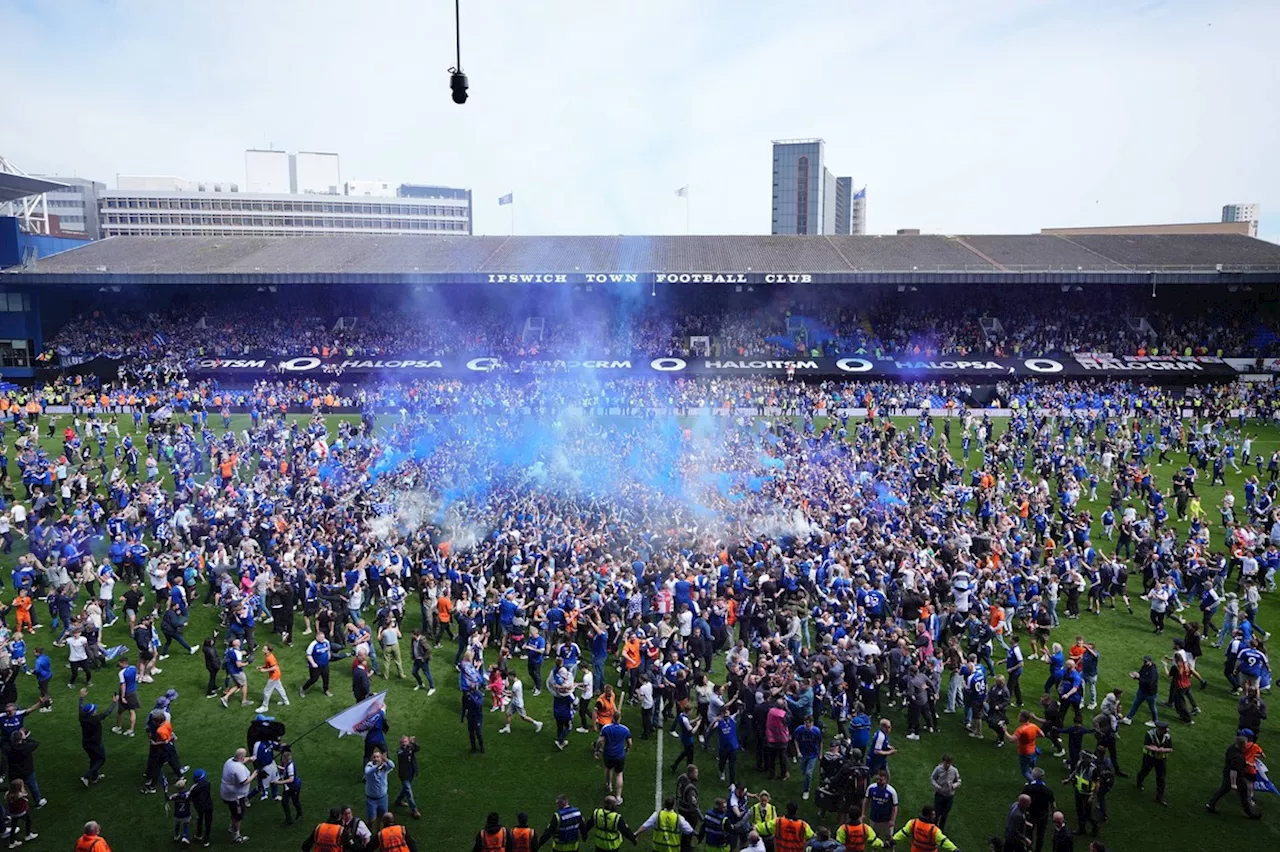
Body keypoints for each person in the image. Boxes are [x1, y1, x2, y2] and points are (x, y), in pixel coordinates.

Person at [1205, 735, 1262, 818]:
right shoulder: (1237, 757)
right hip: (1236, 777)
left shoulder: (1232, 748)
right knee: (1243, 793)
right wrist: (1233, 784)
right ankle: (1250, 813)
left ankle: (1211, 804)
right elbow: (1234, 771)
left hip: (1227, 772)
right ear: (1242, 745)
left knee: (1223, 789)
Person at [78, 690, 116, 786]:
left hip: (86, 743)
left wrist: (81, 697)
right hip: (95, 744)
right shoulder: (95, 719)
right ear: (92, 712)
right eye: (94, 709)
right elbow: (108, 712)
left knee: (93, 759)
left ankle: (94, 777)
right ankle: (87, 776)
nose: (96, 710)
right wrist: (114, 702)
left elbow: (80, 707)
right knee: (101, 759)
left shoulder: (82, 717)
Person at [220, 748, 257, 844]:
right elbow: (244, 782)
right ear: (241, 757)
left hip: (227, 793)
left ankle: (232, 827)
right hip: (235, 797)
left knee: (234, 812)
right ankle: (236, 835)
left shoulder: (229, 761)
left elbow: (241, 760)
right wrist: (254, 775)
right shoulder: (238, 768)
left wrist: (250, 759)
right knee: (238, 816)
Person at [594, 718, 633, 804]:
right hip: (619, 755)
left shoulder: (606, 728)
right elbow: (630, 742)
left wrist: (596, 750)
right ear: (620, 718)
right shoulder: (625, 729)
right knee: (619, 774)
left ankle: (609, 785)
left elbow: (600, 741)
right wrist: (627, 748)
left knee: (608, 769)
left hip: (608, 754)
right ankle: (618, 797)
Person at [1134, 719, 1172, 806]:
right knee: (1144, 771)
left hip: (1161, 760)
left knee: (1161, 778)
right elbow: (1146, 745)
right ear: (1158, 728)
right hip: (1149, 757)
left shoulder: (1167, 737)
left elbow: (1170, 749)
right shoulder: (1150, 734)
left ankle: (1160, 797)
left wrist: (1163, 750)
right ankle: (1139, 781)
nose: (1165, 731)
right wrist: (1153, 749)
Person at [1020, 768, 1056, 852]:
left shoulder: (1028, 788)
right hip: (1043, 815)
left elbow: (1021, 799)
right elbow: (1053, 805)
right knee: (1040, 835)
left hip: (1030, 814)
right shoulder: (1048, 791)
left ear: (1033, 776)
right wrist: (1053, 813)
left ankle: (1029, 849)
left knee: (1029, 832)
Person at [892, 806, 956, 852]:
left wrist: (893, 840)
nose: (935, 816)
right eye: (933, 815)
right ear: (929, 816)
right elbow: (944, 841)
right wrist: (955, 849)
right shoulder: (934, 830)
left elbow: (903, 833)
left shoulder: (913, 823)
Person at [364, 748, 396, 827]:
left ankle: (380, 832)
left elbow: (392, 765)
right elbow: (368, 772)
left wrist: (386, 759)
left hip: (383, 798)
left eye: (378, 757)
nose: (376, 759)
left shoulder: (384, 767)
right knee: (372, 819)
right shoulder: (369, 766)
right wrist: (377, 766)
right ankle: (369, 833)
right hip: (371, 799)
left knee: (383, 817)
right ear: (372, 758)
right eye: (374, 757)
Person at [392, 736, 422, 820]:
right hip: (404, 775)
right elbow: (406, 754)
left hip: (411, 772)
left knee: (405, 789)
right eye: (402, 742)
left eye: (405, 742)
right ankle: (414, 810)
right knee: (409, 792)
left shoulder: (410, 747)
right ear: (400, 744)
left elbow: (418, 748)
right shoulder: (400, 751)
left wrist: (414, 743)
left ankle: (398, 800)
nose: (404, 744)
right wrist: (411, 744)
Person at [863, 770, 898, 842]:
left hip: (886, 820)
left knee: (889, 837)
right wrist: (863, 813)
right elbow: (866, 801)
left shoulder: (891, 791)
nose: (879, 781)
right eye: (877, 779)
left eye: (881, 780)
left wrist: (892, 820)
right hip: (874, 818)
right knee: (874, 837)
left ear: (886, 780)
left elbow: (894, 807)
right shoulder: (871, 788)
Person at [929, 754, 961, 831]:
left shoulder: (954, 770)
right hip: (940, 795)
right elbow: (932, 778)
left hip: (949, 796)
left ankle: (941, 830)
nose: (948, 765)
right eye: (946, 763)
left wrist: (954, 785)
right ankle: (933, 829)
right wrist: (937, 786)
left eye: (949, 763)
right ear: (943, 762)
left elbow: (959, 780)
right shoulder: (938, 769)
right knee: (937, 813)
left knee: (944, 815)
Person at [255, 644, 289, 712]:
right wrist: (262, 667)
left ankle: (265, 707)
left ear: (268, 651)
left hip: (274, 676)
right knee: (280, 688)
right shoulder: (269, 656)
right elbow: (269, 665)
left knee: (266, 691)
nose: (262, 650)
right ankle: (285, 701)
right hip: (277, 675)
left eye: (264, 649)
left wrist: (264, 670)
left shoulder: (270, 658)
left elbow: (274, 667)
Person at [111, 656, 140, 737]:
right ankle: (131, 730)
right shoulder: (133, 668)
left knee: (120, 712)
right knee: (132, 711)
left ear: (122, 662)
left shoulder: (121, 673)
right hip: (133, 692)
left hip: (126, 693)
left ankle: (118, 728)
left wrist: (123, 696)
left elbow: (123, 685)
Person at [220, 638, 251, 709]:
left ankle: (225, 698)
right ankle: (244, 701)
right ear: (237, 644)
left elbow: (235, 654)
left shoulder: (230, 649)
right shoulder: (238, 653)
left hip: (231, 671)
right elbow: (239, 664)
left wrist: (244, 652)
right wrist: (247, 663)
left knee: (237, 685)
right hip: (237, 672)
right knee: (244, 684)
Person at [299, 631, 332, 698]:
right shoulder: (313, 644)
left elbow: (328, 649)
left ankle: (326, 690)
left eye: (323, 637)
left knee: (326, 678)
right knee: (313, 679)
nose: (323, 639)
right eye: (321, 638)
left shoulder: (326, 642)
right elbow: (308, 655)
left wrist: (329, 655)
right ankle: (303, 689)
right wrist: (313, 663)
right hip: (316, 666)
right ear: (317, 637)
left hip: (325, 664)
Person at [278, 746, 302, 824]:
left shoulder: (290, 766)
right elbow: (284, 769)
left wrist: (279, 782)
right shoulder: (287, 764)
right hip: (288, 787)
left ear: (285, 759)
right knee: (284, 802)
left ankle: (299, 814)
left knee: (295, 801)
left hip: (293, 787)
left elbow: (291, 779)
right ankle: (289, 819)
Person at [190, 768, 214, 847]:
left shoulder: (194, 788)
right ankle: (206, 840)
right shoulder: (207, 784)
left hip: (199, 807)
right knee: (208, 823)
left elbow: (190, 798)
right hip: (209, 806)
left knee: (200, 820)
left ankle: (199, 834)